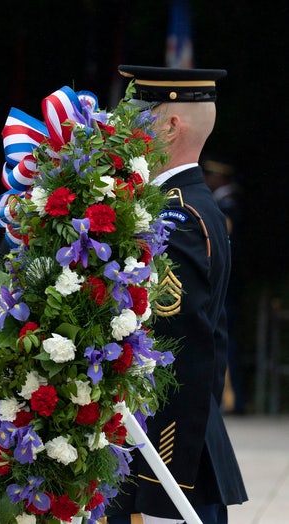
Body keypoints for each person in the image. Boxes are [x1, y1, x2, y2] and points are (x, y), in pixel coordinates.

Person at [107, 66, 247, 524]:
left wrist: (161, 474)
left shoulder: (178, 215)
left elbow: (177, 348)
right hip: (177, 448)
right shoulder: (184, 204)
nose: (127, 127)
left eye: (140, 114)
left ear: (171, 126)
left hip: (170, 457)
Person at [202, 158, 244, 414]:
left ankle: (232, 400)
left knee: (225, 340)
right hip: (229, 282)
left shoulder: (227, 205)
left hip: (228, 283)